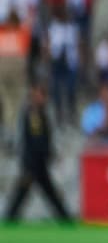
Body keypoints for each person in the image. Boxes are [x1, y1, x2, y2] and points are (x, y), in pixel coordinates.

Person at [4, 83, 74, 223]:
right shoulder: (32, 114)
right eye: (38, 95)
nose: (41, 98)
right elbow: (33, 141)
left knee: (39, 192)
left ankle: (10, 218)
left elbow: (46, 138)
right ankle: (64, 218)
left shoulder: (42, 113)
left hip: (39, 162)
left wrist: (50, 152)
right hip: (33, 162)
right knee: (30, 192)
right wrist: (30, 161)